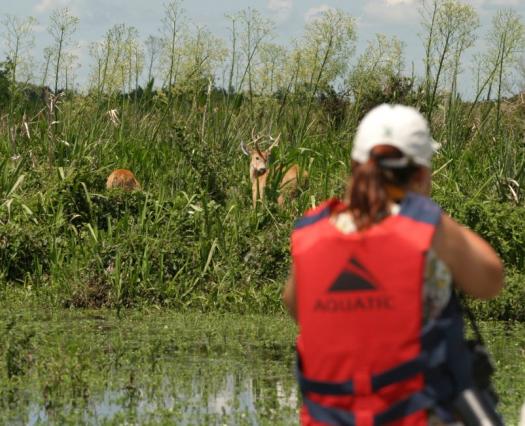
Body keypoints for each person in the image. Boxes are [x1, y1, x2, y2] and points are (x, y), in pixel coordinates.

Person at [283, 104, 504, 425]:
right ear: (422, 175)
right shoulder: (429, 230)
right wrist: (430, 214)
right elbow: (491, 281)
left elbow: (295, 307)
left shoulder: (312, 232)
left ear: (355, 167)